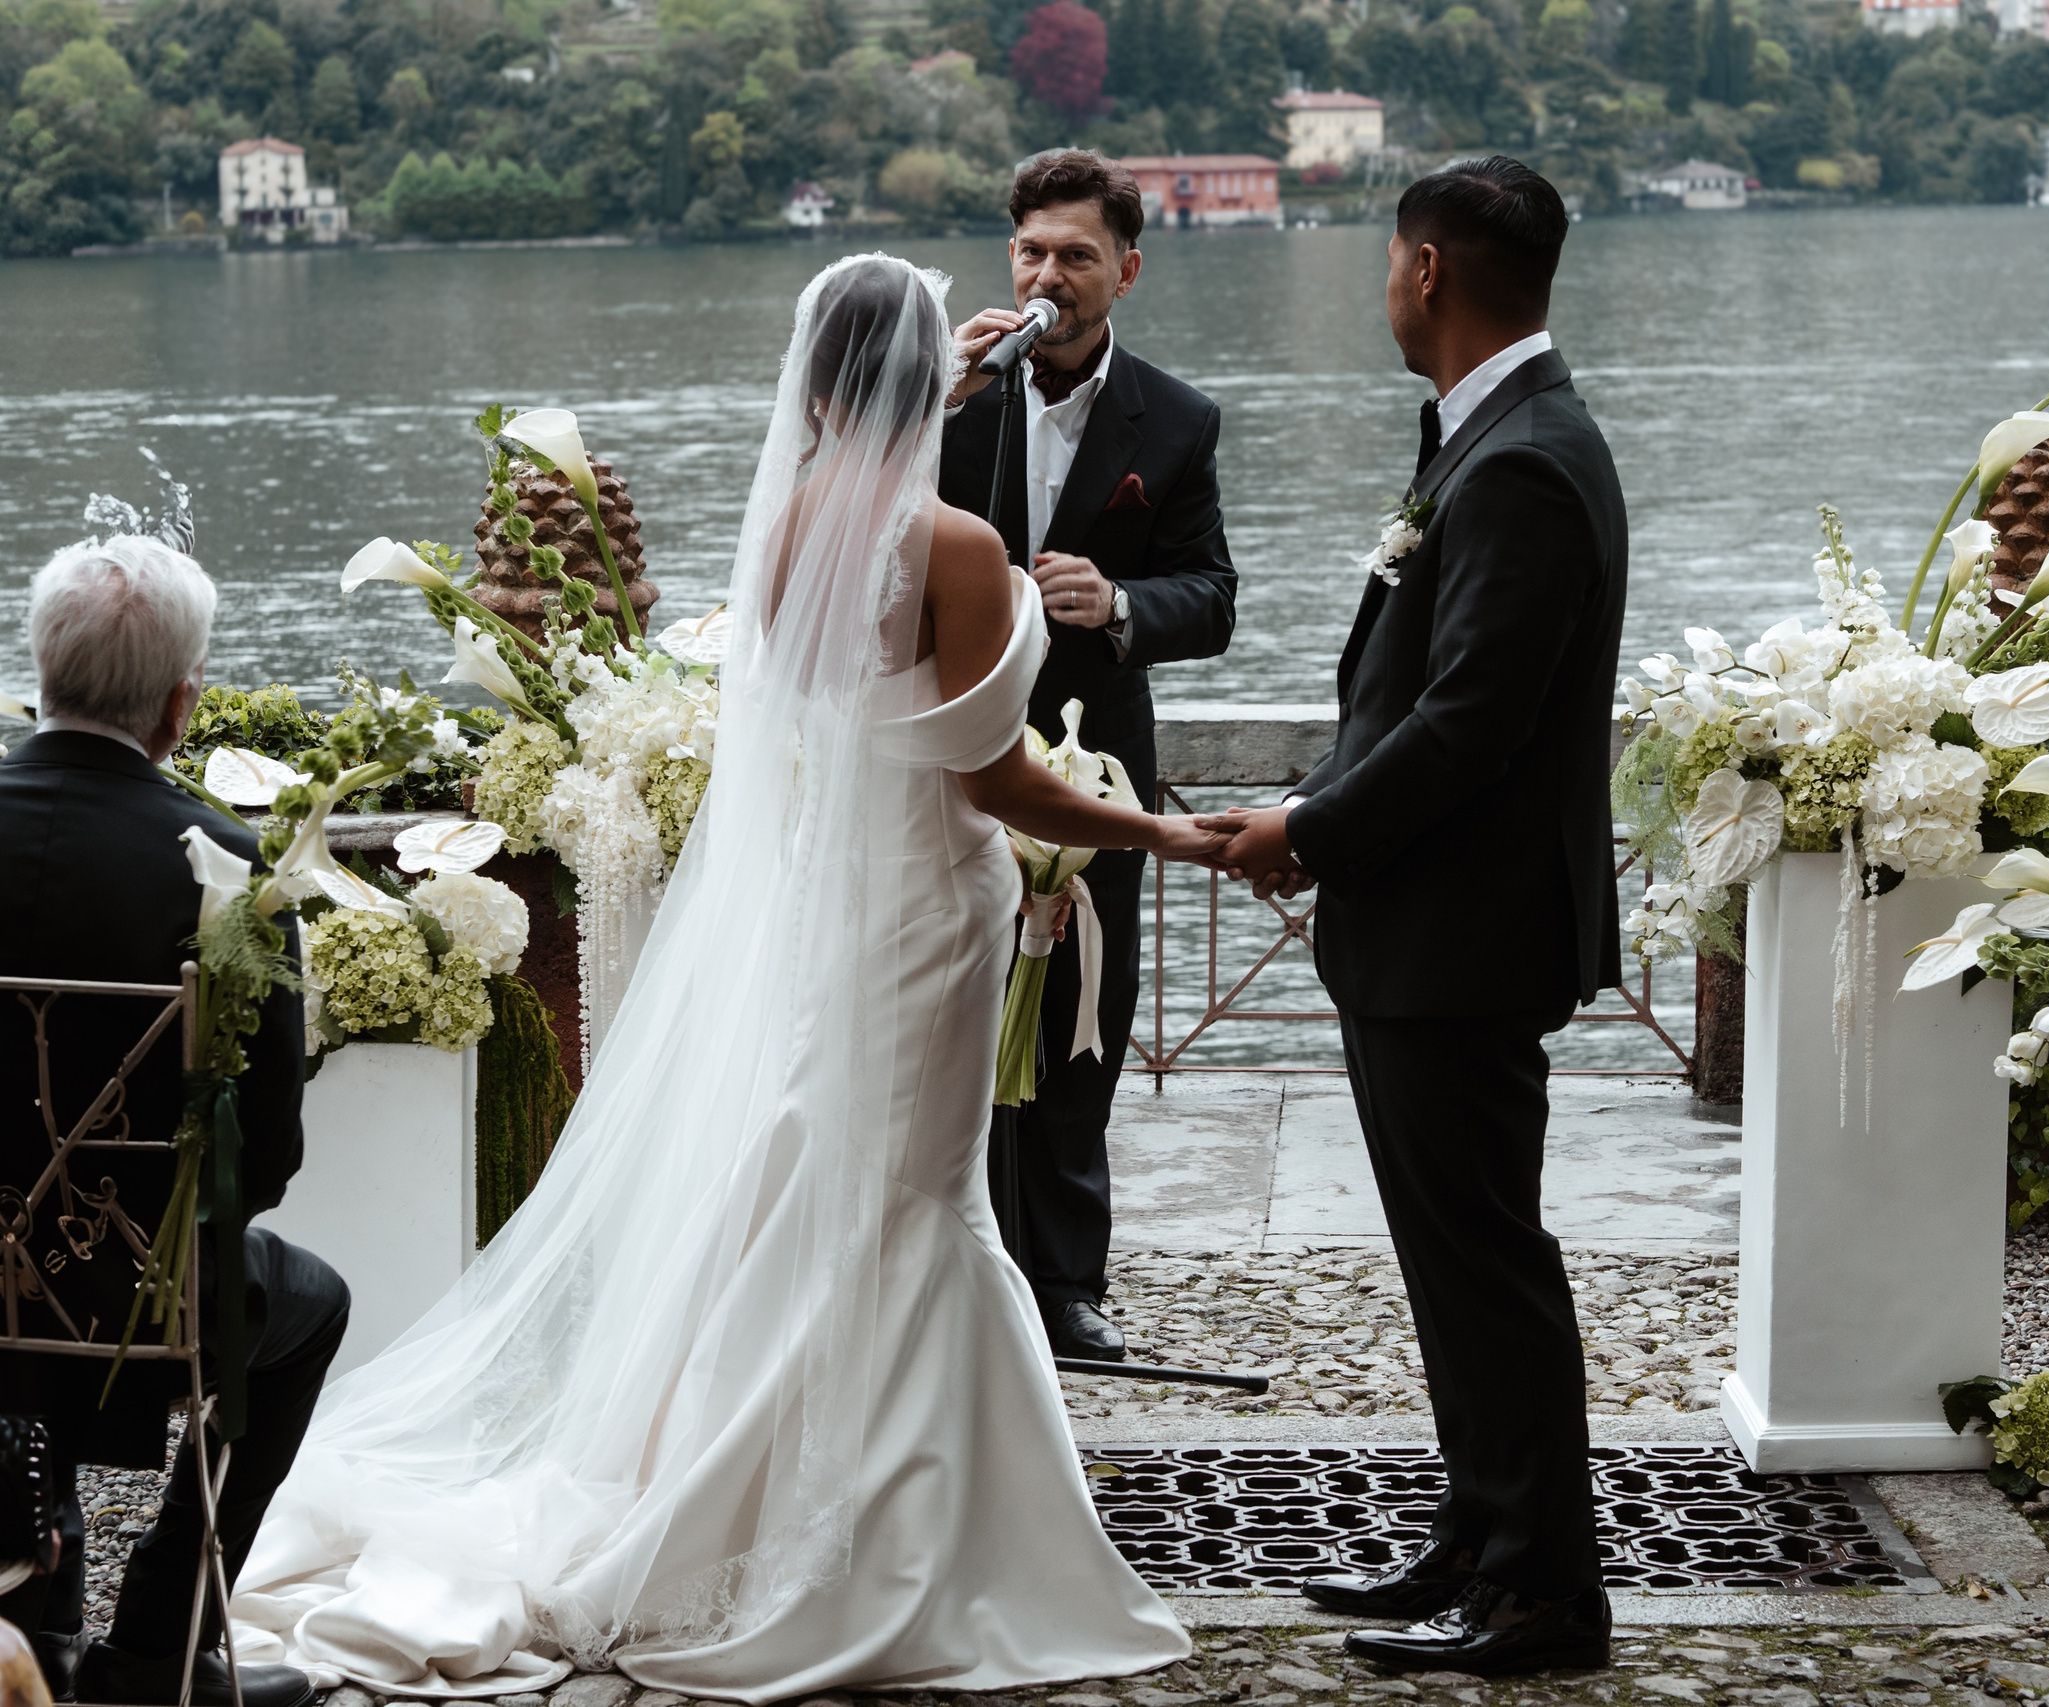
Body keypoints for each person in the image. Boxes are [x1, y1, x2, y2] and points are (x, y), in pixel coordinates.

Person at [228, 256, 1232, 1701]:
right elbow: (995, 767)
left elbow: (853, 709)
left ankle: (750, 1493)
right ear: (918, 386)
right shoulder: (953, 546)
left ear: (814, 384)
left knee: (831, 1186)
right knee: (910, 1204)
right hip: (932, 916)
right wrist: (1153, 825)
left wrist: (913, 393)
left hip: (835, 917)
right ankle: (895, 1538)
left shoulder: (786, 527)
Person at [1207, 157, 1627, 1676]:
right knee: (1456, 1260)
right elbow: (1416, 696)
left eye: (1390, 260)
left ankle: (1543, 1599)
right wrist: (1323, 797)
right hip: (1435, 930)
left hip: (1463, 937)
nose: (1386, 284)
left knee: (1488, 1263)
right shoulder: (1495, 434)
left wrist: (1308, 827)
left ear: (1430, 269)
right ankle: (1477, 1531)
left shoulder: (1521, 458)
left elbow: (1468, 722)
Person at [0, 539, 345, 1707]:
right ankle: (152, 1652)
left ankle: (30, 1612)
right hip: (133, 1291)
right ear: (180, 705)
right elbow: (273, 1156)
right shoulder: (226, 871)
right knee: (305, 1304)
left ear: (38, 667)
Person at [940, 149, 1238, 1363]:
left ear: (1126, 268)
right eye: (1029, 251)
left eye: (1073, 254)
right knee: (949, 1010)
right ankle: (957, 1266)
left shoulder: (1173, 419)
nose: (1047, 274)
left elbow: (1211, 599)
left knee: (1080, 1021)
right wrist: (931, 399)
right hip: (950, 759)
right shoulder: (948, 395)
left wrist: (1118, 605)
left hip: (1091, 768)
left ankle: (1063, 1286)